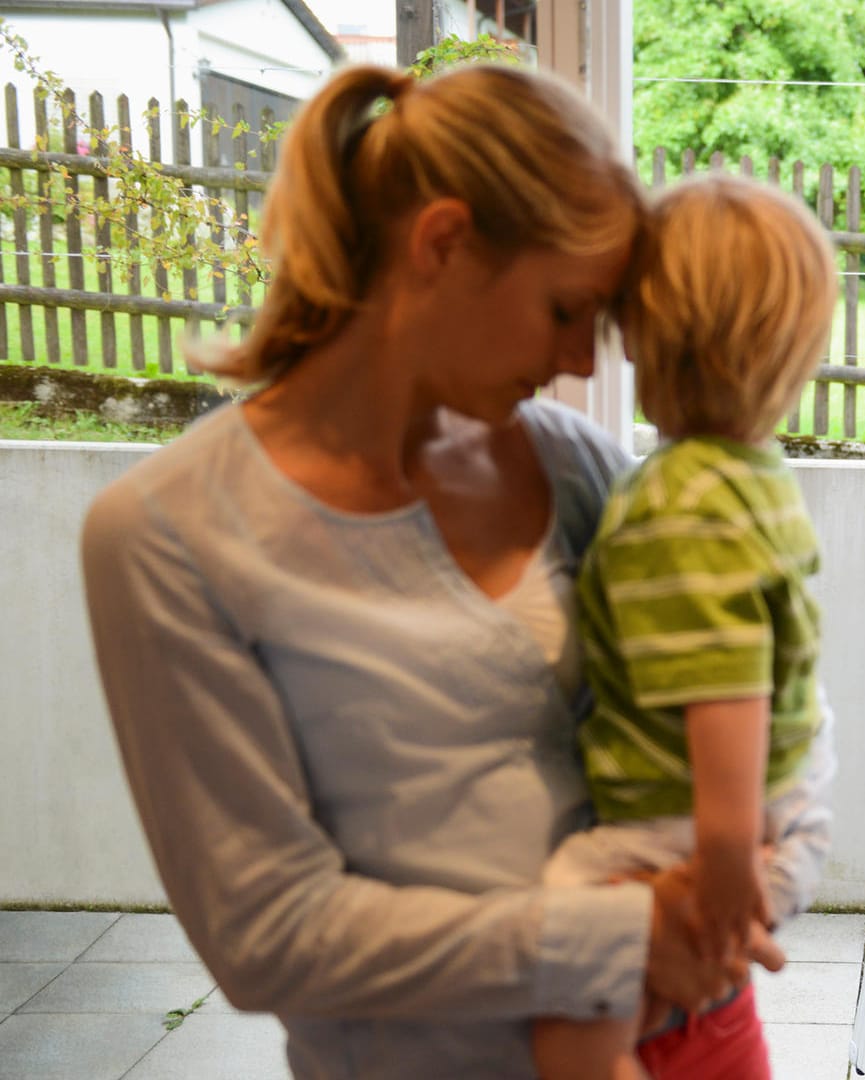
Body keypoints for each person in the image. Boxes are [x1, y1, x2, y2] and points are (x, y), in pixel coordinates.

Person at [79, 63, 823, 1079]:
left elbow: (776, 701)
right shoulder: (168, 536)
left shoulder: (581, 467)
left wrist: (756, 893)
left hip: (697, 1032)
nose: (584, 363)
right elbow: (269, 938)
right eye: (566, 309)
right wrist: (630, 935)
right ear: (443, 243)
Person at [529, 176, 839, 1079]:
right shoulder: (753, 472)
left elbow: (725, 692)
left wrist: (725, 863)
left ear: (642, 329)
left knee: (557, 927)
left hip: (694, 824)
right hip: (754, 814)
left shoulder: (681, 498)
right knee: (657, 981)